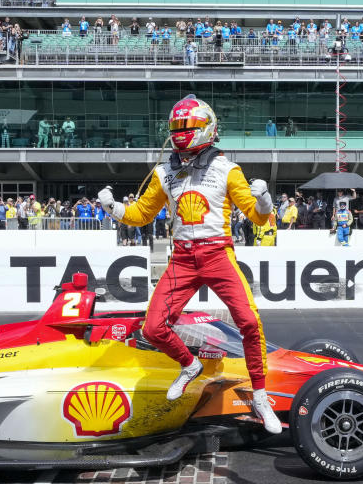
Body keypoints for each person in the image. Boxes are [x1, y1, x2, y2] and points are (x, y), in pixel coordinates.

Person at [97, 95, 280, 433]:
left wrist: (265, 198)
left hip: (217, 255)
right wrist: (112, 208)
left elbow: (257, 216)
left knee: (250, 323)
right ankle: (190, 364)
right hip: (182, 257)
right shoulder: (164, 171)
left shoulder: (227, 168)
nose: (180, 133)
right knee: (153, 328)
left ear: (205, 128)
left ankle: (260, 395)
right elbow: (141, 215)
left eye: (187, 126)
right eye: (176, 127)